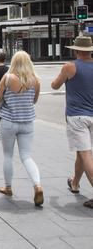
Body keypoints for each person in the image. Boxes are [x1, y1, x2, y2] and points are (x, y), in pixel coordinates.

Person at [0, 51, 43, 206]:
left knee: (8, 155)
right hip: (27, 122)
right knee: (26, 156)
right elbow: (34, 101)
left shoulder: (7, 78)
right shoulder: (35, 80)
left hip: (8, 121)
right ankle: (37, 185)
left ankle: (8, 187)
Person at [50, 36, 93, 209]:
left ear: (76, 50)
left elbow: (54, 85)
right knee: (81, 153)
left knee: (86, 154)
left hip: (77, 116)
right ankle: (74, 183)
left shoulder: (70, 67)